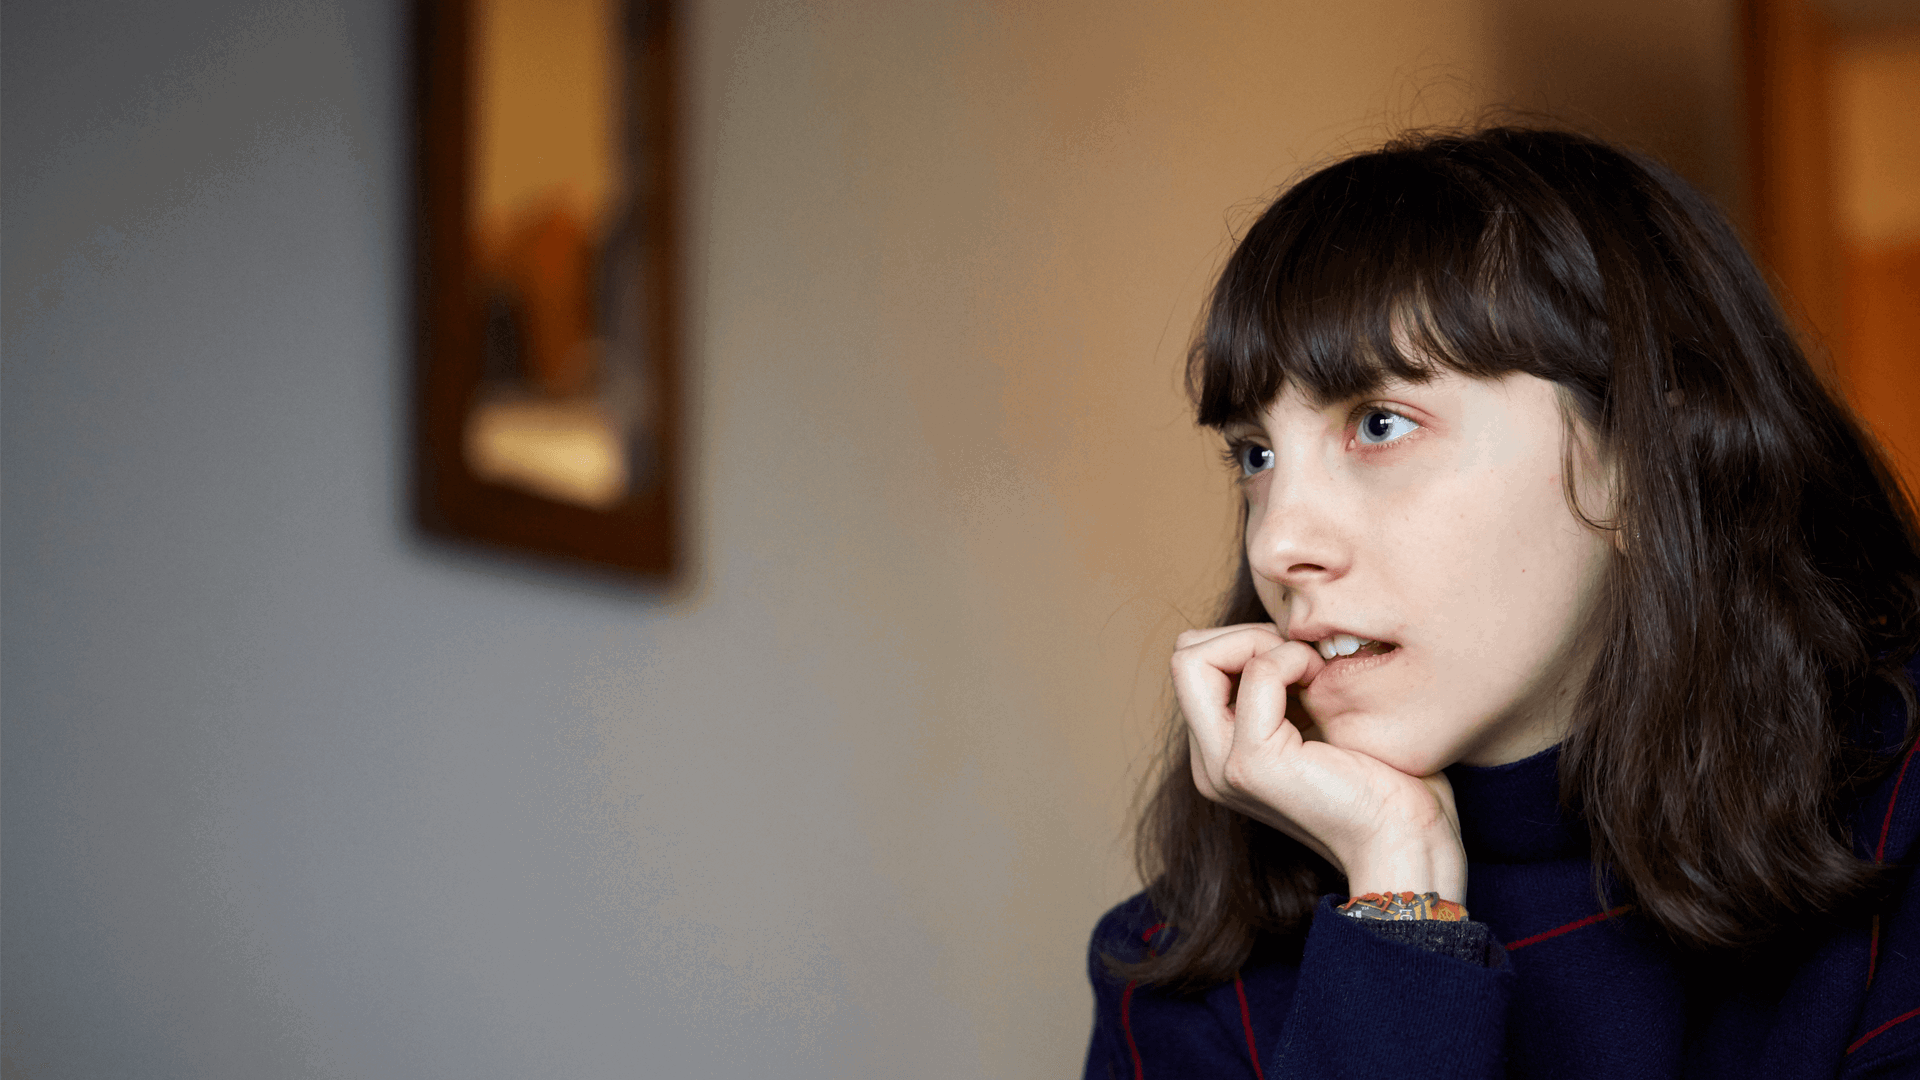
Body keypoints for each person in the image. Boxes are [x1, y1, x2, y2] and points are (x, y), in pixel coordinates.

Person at [1082, 127, 1920, 1078]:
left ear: (1648, 463)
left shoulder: (1898, 838)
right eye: (1256, 456)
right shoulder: (1179, 974)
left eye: (1379, 423)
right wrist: (1400, 906)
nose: (1277, 542)